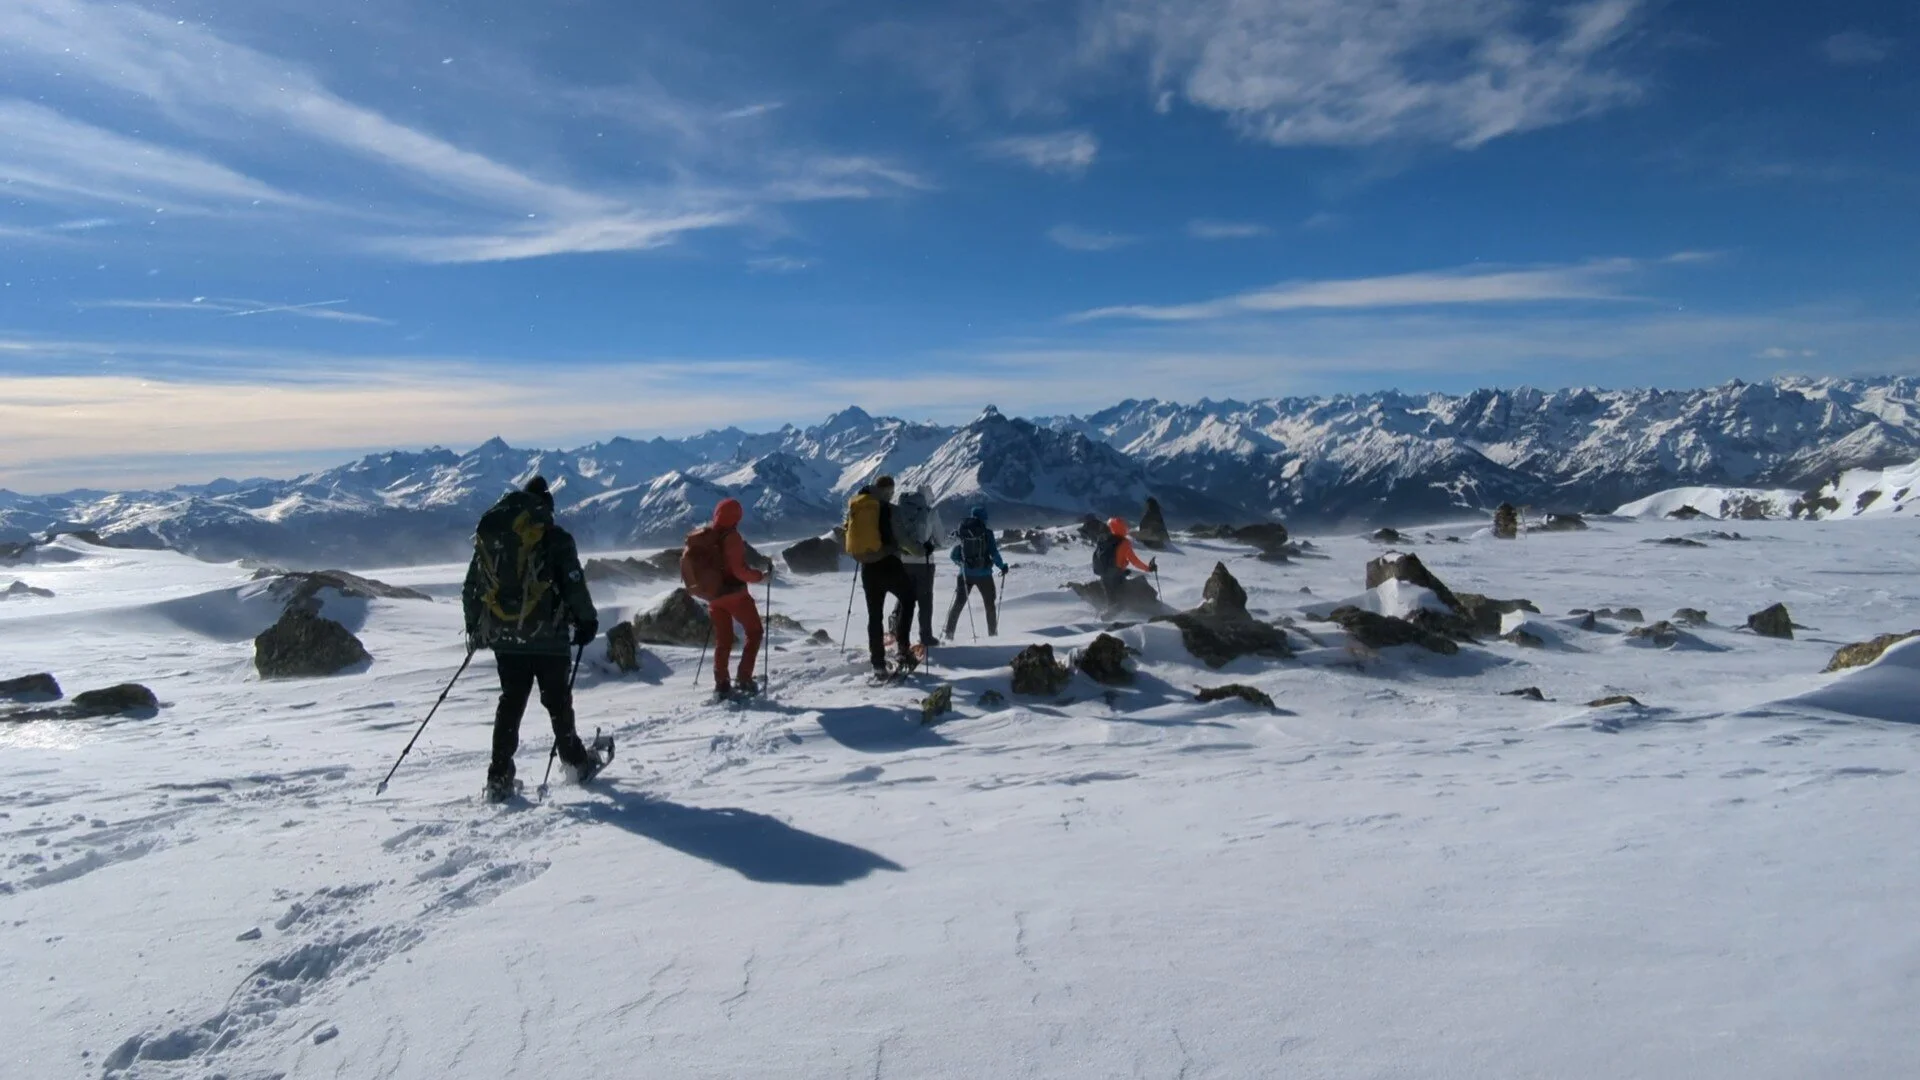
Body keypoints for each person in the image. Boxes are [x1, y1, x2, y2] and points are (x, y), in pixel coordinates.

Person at [462, 476, 603, 802]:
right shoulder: (556, 538)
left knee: (510, 702)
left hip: (506, 638)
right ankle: (575, 762)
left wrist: (475, 628)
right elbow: (573, 583)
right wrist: (586, 620)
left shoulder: (495, 539)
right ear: (546, 508)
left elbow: (472, 586)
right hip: (548, 637)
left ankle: (498, 777)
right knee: (557, 700)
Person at [683, 497, 769, 698]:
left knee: (724, 640)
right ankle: (744, 678)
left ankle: (721, 683)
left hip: (712, 596)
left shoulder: (707, 535)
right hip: (735, 595)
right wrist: (761, 576)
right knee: (754, 631)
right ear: (736, 517)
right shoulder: (732, 537)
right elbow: (739, 571)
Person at [845, 475, 914, 675]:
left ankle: (878, 663)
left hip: (867, 567)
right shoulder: (887, 509)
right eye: (891, 492)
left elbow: (846, 530)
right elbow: (902, 539)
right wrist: (919, 550)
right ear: (888, 491)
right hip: (889, 563)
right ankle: (903, 649)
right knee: (908, 599)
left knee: (875, 615)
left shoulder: (857, 505)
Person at [891, 487, 944, 656]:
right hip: (924, 562)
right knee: (925, 599)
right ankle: (926, 636)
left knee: (904, 597)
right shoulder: (929, 512)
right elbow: (941, 540)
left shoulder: (899, 511)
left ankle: (896, 631)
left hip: (902, 561)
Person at [946, 505, 1008, 638]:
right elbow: (994, 553)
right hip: (984, 575)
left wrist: (963, 564)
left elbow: (953, 555)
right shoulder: (987, 532)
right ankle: (992, 635)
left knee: (958, 604)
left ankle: (949, 635)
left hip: (965, 575)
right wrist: (1002, 566)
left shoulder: (962, 531)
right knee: (989, 605)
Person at [1096, 516, 1157, 613]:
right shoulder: (1124, 543)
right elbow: (1135, 561)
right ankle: (1115, 620)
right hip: (1117, 575)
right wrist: (1148, 568)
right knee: (1121, 601)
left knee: (1111, 600)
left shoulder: (1104, 540)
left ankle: (1107, 618)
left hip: (1104, 575)